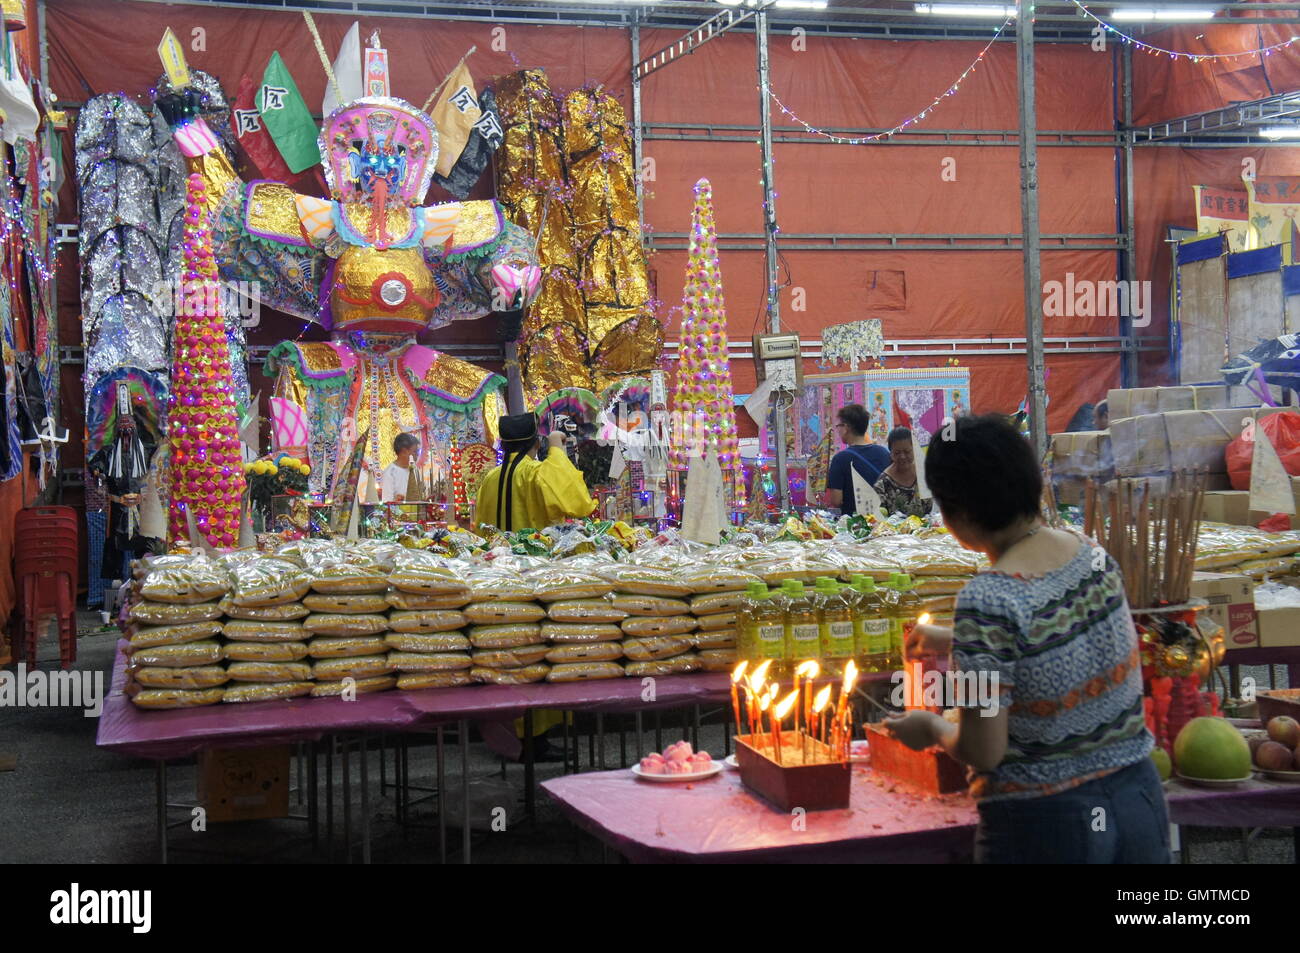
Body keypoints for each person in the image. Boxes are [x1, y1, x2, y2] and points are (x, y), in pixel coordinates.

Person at [884, 414, 1168, 864]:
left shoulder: (987, 599)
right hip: (1138, 796)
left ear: (955, 512)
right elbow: (1044, 634)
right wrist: (952, 641)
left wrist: (933, 728)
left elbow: (983, 749)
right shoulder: (1088, 552)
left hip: (1047, 822)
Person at [475, 412, 597, 531]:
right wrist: (556, 445)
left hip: (497, 550)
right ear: (537, 444)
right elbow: (579, 505)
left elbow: (481, 525)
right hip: (535, 549)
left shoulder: (490, 477)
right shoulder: (536, 473)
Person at [824, 403, 891, 515]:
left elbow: (836, 501)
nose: (838, 430)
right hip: (883, 521)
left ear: (846, 427)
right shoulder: (884, 453)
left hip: (855, 524)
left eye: (838, 426)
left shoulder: (840, 459)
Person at [874, 427, 932, 518]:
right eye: (897, 453)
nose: (902, 456)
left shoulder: (923, 474)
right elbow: (879, 517)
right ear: (891, 453)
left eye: (907, 451)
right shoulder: (883, 483)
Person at [380, 433, 422, 503]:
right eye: (415, 451)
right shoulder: (390, 473)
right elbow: (387, 503)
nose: (417, 455)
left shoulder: (415, 469)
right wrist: (397, 501)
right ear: (404, 451)